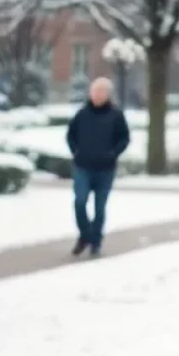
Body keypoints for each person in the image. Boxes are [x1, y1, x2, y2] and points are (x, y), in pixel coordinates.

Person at [66, 78, 131, 257]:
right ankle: (85, 235)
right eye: (94, 91)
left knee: (100, 207)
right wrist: (76, 152)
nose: (96, 95)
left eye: (101, 92)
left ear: (108, 95)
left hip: (105, 168)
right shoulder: (82, 114)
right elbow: (70, 135)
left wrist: (113, 153)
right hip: (83, 166)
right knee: (79, 201)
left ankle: (96, 240)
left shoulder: (116, 115)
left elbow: (124, 138)